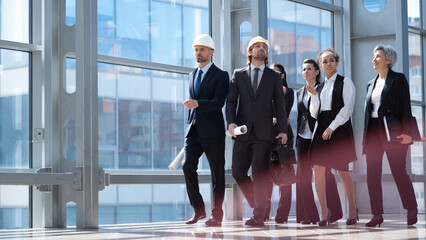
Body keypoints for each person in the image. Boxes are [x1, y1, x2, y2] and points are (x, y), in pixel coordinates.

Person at [226, 36, 288, 227]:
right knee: (238, 171)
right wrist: (230, 123)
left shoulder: (274, 76)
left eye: (264, 47)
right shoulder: (238, 74)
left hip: (265, 133)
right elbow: (231, 102)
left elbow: (280, 104)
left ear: (266, 53)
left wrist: (283, 130)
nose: (261, 49)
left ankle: (258, 216)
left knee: (260, 174)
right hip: (243, 131)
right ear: (250, 52)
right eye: (257, 46)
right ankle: (261, 204)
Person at [363, 45, 418, 227]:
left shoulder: (398, 79)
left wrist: (408, 133)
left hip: (392, 132)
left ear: (388, 60)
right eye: (374, 56)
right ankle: (377, 215)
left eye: (378, 56)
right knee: (372, 175)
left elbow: (406, 107)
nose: (374, 59)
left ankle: (411, 208)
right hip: (372, 132)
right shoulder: (370, 84)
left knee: (398, 172)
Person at [182, 34, 229, 227]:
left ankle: (217, 214)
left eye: (202, 49)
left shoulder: (221, 75)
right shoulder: (191, 74)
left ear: (211, 52)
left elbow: (218, 102)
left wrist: (197, 103)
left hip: (213, 132)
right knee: (187, 166)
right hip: (193, 131)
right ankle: (199, 210)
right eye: (196, 49)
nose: (198, 53)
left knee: (217, 175)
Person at [307, 48, 358, 226]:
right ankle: (323, 211)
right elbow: (314, 113)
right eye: (324, 61)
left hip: (339, 126)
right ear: (320, 66)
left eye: (331, 60)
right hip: (322, 126)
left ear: (337, 62)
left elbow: (347, 109)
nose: (328, 63)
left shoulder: (346, 82)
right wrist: (313, 97)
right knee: (318, 170)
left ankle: (352, 208)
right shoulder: (318, 87)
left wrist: (331, 127)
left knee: (342, 170)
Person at [295, 58, 343, 225]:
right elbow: (300, 117)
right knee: (303, 177)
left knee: (325, 175)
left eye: (309, 69)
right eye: (303, 69)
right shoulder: (300, 92)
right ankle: (310, 215)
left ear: (317, 71)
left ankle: (334, 211)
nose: (306, 72)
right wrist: (296, 140)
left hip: (319, 138)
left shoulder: (324, 89)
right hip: (303, 138)